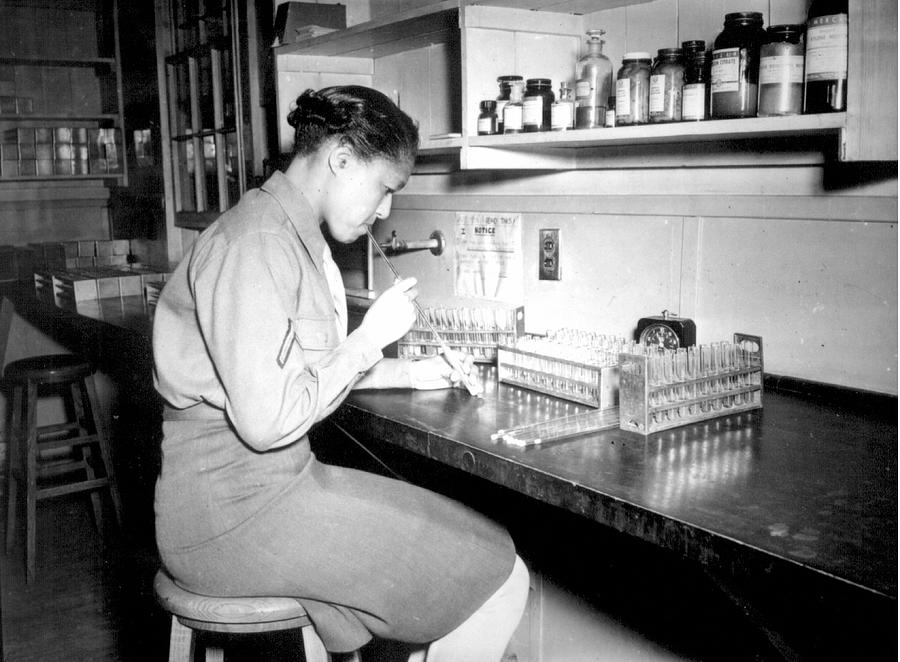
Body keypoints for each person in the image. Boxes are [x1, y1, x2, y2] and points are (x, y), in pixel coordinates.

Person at [152, 85, 529, 661]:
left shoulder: (287, 233)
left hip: (265, 494)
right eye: (385, 189)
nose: (385, 211)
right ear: (342, 158)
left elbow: (291, 377)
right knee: (497, 576)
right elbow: (266, 421)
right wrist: (368, 339)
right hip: (231, 518)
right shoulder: (257, 243)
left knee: (484, 549)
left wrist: (406, 372)